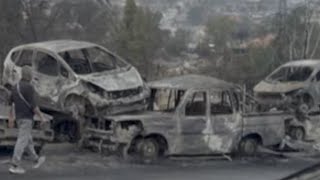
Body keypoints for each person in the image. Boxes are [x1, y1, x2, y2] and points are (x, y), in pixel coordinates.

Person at [8, 66, 47, 174]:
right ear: (29, 75)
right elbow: (34, 106)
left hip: (19, 118)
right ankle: (14, 165)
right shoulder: (29, 88)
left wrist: (11, 117)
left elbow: (11, 103)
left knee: (28, 140)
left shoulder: (15, 87)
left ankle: (36, 159)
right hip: (26, 118)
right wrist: (42, 117)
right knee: (22, 141)